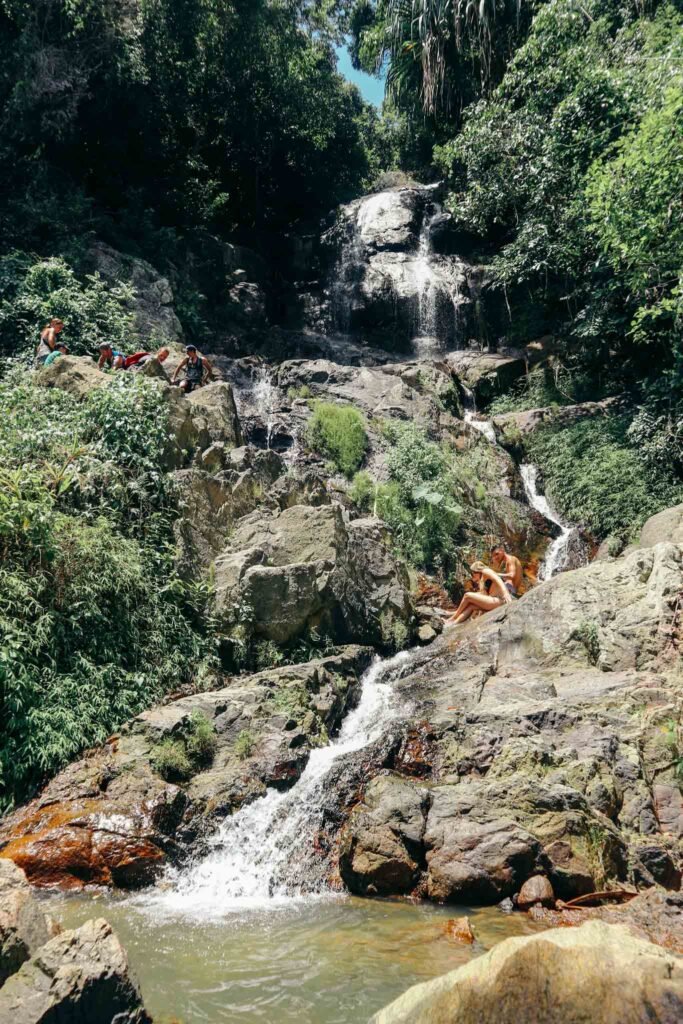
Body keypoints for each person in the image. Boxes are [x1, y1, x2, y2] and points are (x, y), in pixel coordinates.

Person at [445, 561, 512, 626]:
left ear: (477, 571)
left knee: (467, 595)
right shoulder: (482, 580)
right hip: (493, 601)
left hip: (500, 600)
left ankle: (454, 617)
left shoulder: (486, 571)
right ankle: (453, 623)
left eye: (473, 573)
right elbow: (484, 596)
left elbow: (498, 579)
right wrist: (479, 617)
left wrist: (506, 593)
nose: (472, 575)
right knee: (471, 606)